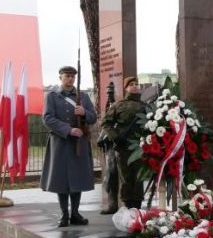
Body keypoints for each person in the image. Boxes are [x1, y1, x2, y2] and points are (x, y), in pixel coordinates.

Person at [41, 65, 97, 227]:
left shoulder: (83, 97)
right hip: (60, 143)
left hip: (78, 144)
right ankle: (64, 214)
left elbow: (93, 118)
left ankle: (75, 214)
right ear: (60, 78)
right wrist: (69, 130)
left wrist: (84, 113)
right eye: (67, 76)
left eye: (72, 76)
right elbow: (47, 118)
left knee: (77, 179)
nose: (70, 79)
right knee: (61, 180)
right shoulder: (52, 96)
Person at [101, 76, 147, 212]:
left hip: (139, 146)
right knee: (126, 178)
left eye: (136, 84)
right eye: (131, 84)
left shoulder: (145, 106)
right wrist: (115, 137)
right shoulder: (118, 105)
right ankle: (127, 207)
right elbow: (106, 123)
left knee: (138, 177)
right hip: (123, 146)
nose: (134, 86)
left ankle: (137, 208)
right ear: (126, 88)